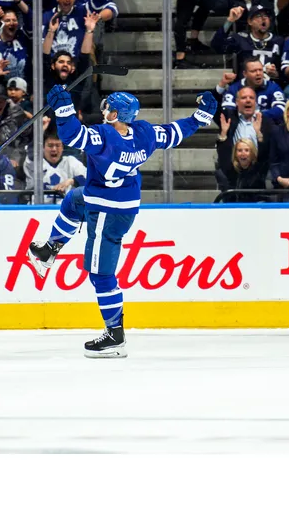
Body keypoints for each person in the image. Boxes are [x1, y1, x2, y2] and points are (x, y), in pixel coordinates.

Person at [28, 87, 217, 358]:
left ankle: (115, 335)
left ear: (116, 114)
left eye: (109, 108)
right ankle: (50, 249)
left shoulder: (105, 136)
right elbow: (175, 132)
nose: (104, 111)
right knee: (73, 200)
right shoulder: (144, 133)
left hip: (107, 212)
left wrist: (64, 109)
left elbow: (72, 134)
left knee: (101, 275)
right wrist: (200, 117)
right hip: (118, 201)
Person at [211, 5, 283, 79]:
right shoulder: (241, 38)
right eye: (258, 16)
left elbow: (286, 71)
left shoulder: (279, 41)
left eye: (266, 15)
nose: (263, 18)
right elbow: (217, 46)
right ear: (250, 21)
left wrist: (276, 74)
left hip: (271, 87)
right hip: (245, 86)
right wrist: (230, 21)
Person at [24, 132, 87, 204]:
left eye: (58, 145)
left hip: (65, 210)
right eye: (50, 146)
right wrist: (41, 130)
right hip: (38, 209)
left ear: (62, 148)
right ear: (43, 148)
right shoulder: (36, 163)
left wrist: (72, 181)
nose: (54, 149)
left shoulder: (70, 162)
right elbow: (31, 154)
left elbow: (89, 180)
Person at [215, 136, 267, 203]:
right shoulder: (231, 170)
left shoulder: (259, 169)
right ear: (235, 154)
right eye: (239, 150)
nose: (243, 153)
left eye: (247, 150)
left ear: (252, 153)